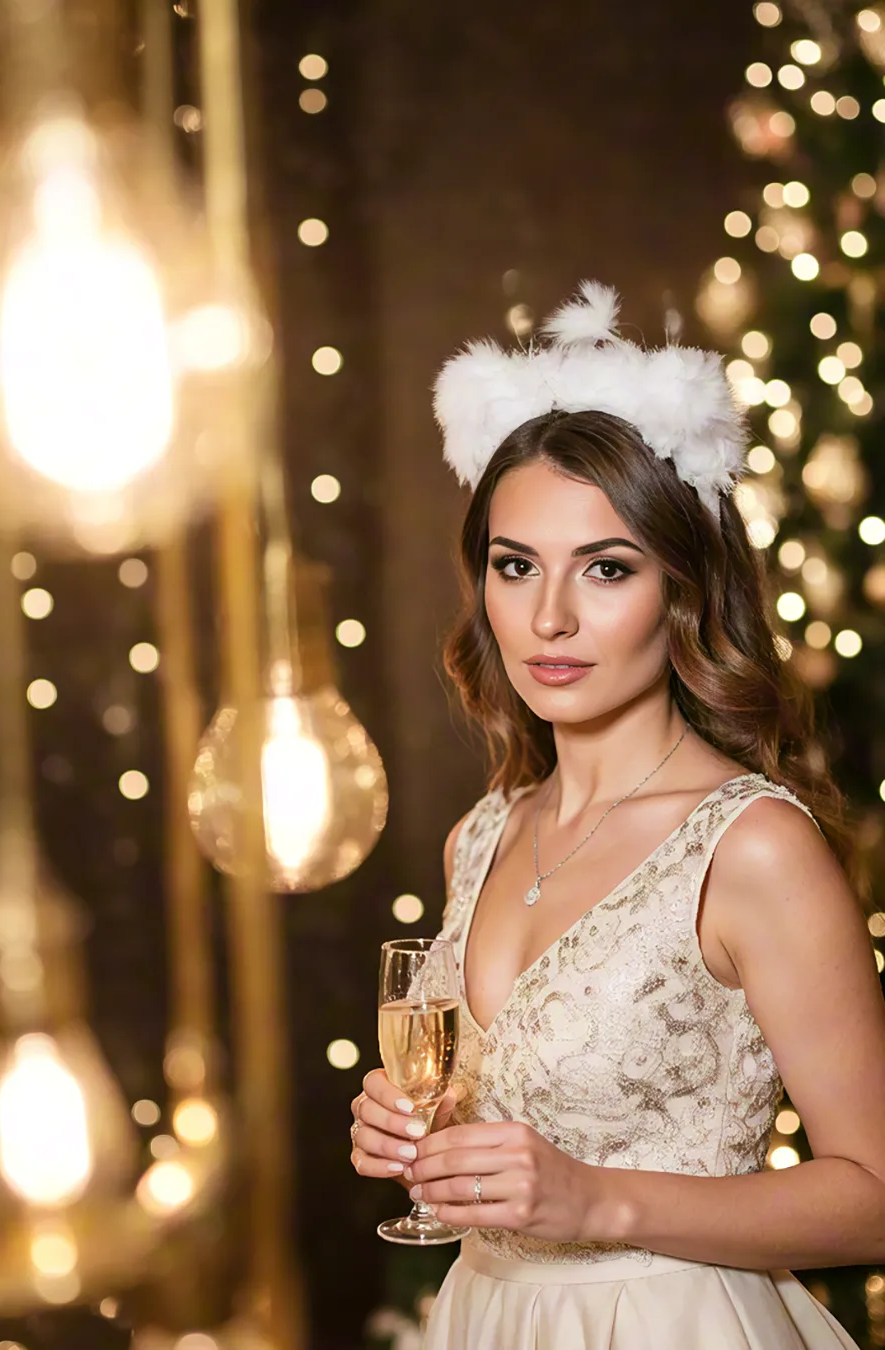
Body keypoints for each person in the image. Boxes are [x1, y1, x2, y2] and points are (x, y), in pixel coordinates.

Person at [349, 281, 885, 1348]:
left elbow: (875, 1194)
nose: (548, 617)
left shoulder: (752, 848)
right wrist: (426, 1134)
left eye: (605, 569)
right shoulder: (482, 834)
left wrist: (596, 1200)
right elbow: (515, 1117)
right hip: (486, 1317)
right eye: (515, 567)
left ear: (682, 591)